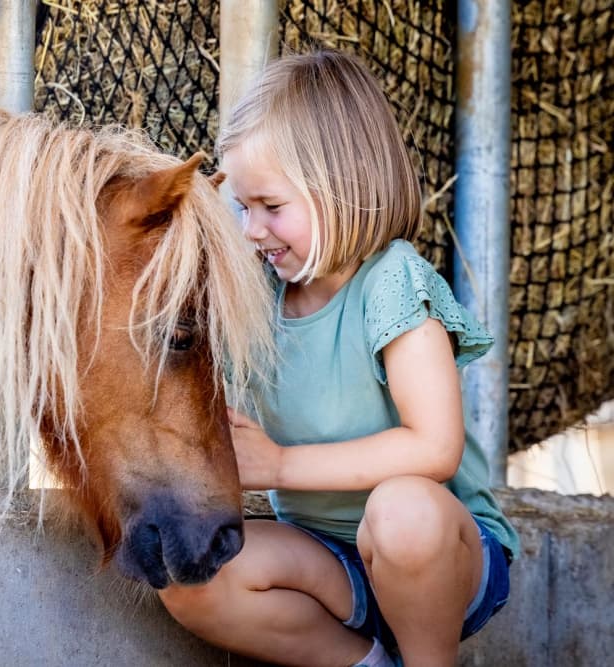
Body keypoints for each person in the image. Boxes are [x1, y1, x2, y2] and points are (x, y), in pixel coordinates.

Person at [157, 49, 519, 667]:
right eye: (243, 209)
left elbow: (434, 449)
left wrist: (279, 463)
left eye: (272, 207)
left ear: (342, 188)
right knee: (193, 579)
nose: (251, 230)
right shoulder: (259, 294)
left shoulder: (393, 284)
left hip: (440, 555)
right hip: (322, 556)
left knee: (401, 509)